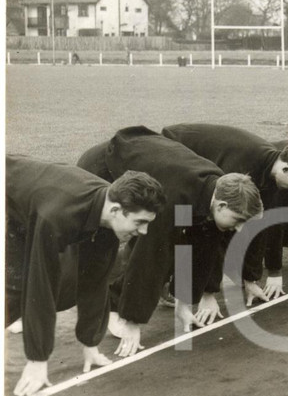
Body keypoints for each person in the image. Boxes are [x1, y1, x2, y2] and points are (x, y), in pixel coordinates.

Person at [76, 126, 264, 354]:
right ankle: (112, 308)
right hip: (104, 169)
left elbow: (199, 247)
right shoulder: (176, 198)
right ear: (222, 205)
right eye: (239, 219)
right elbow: (150, 256)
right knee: (111, 243)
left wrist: (183, 304)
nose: (240, 228)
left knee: (185, 239)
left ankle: (117, 301)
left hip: (155, 170)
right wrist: (133, 321)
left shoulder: (214, 189)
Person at [7, 155, 165, 395]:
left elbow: (95, 280)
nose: (144, 231)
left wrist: (90, 343)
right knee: (17, 286)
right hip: (10, 198)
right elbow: (40, 285)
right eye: (140, 222)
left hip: (33, 199)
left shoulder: (108, 215)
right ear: (115, 210)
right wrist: (38, 360)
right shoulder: (57, 216)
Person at [161, 123, 288, 299]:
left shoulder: (271, 175)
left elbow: (258, 226)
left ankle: (179, 286)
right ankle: (164, 284)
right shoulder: (243, 167)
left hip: (203, 166)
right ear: (287, 168)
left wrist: (250, 280)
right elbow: (214, 230)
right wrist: (208, 293)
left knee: (220, 226)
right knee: (185, 228)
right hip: (174, 150)